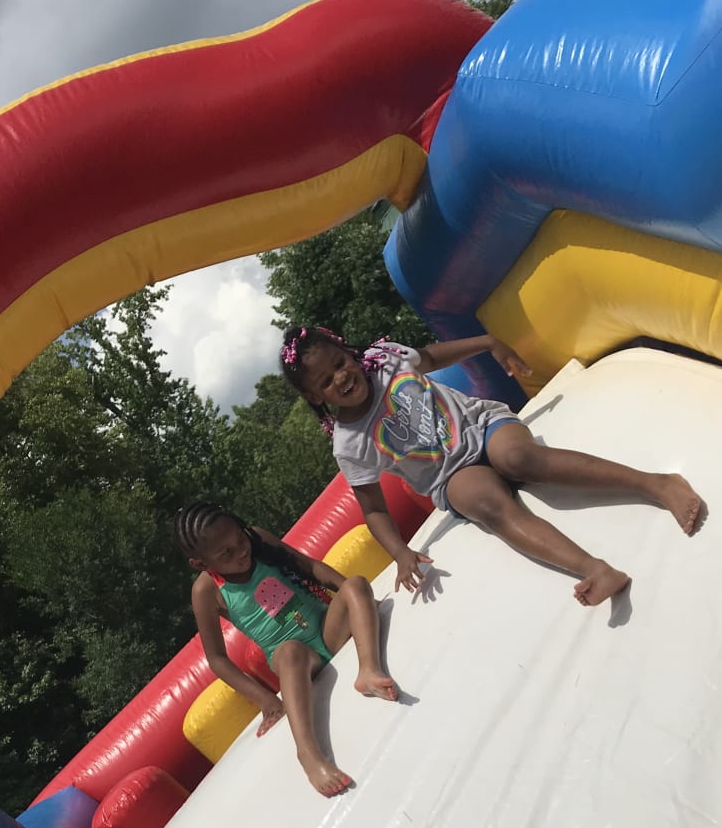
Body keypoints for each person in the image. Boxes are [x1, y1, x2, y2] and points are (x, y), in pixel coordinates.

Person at [280, 326, 703, 606]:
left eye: (340, 363)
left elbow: (430, 357)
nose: (340, 377)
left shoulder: (386, 359)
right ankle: (595, 568)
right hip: (449, 475)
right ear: (316, 397)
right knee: (485, 503)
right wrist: (400, 552)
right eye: (325, 381)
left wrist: (487, 342)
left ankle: (657, 484)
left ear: (349, 352)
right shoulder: (349, 443)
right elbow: (373, 507)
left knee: (518, 458)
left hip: (480, 426)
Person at [173, 500, 398, 796]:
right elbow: (217, 659)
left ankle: (369, 669)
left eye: (239, 539)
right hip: (294, 656)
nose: (240, 551)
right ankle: (309, 754)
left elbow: (309, 566)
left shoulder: (257, 539)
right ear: (201, 564)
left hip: (327, 629)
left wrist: (359, 600)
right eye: (226, 553)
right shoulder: (206, 591)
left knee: (356, 584)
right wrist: (266, 700)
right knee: (291, 651)